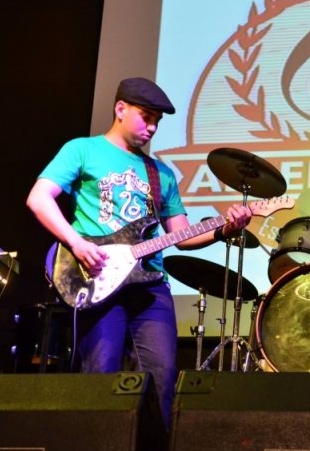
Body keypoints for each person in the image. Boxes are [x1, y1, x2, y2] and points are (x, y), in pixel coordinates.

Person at [27, 77, 252, 426]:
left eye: (157, 122)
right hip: (98, 278)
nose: (152, 127)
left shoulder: (162, 173)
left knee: (162, 378)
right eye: (146, 117)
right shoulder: (82, 150)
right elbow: (38, 198)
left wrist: (224, 229)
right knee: (100, 374)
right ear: (120, 109)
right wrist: (77, 242)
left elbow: (181, 235)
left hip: (150, 287)